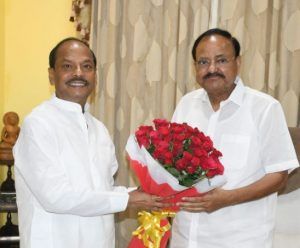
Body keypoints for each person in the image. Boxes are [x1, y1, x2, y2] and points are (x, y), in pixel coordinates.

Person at [13, 38, 168, 248]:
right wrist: (128, 200)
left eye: (86, 67)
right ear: (51, 75)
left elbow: (103, 189)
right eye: (68, 66)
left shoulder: (99, 130)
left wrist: (140, 193)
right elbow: (56, 196)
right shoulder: (38, 125)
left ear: (95, 76)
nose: (78, 73)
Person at [169, 28, 299, 248]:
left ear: (238, 62)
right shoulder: (186, 104)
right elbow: (171, 164)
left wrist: (226, 199)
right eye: (203, 62)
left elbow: (279, 176)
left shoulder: (265, 108)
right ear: (195, 68)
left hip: (239, 240)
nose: (212, 69)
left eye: (221, 60)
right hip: (185, 237)